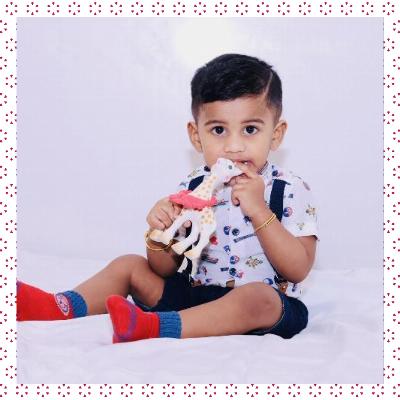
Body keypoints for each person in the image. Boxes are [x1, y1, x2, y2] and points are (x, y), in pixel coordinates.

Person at [17, 53, 318, 342]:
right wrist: (160, 234)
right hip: (195, 296)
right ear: (196, 136)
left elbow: (298, 269)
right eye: (218, 130)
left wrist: (260, 210)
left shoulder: (289, 189)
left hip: (261, 305)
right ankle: (58, 307)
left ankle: (155, 327)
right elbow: (164, 269)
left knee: (260, 299)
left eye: (250, 129)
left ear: (276, 134)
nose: (234, 146)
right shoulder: (195, 186)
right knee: (128, 265)